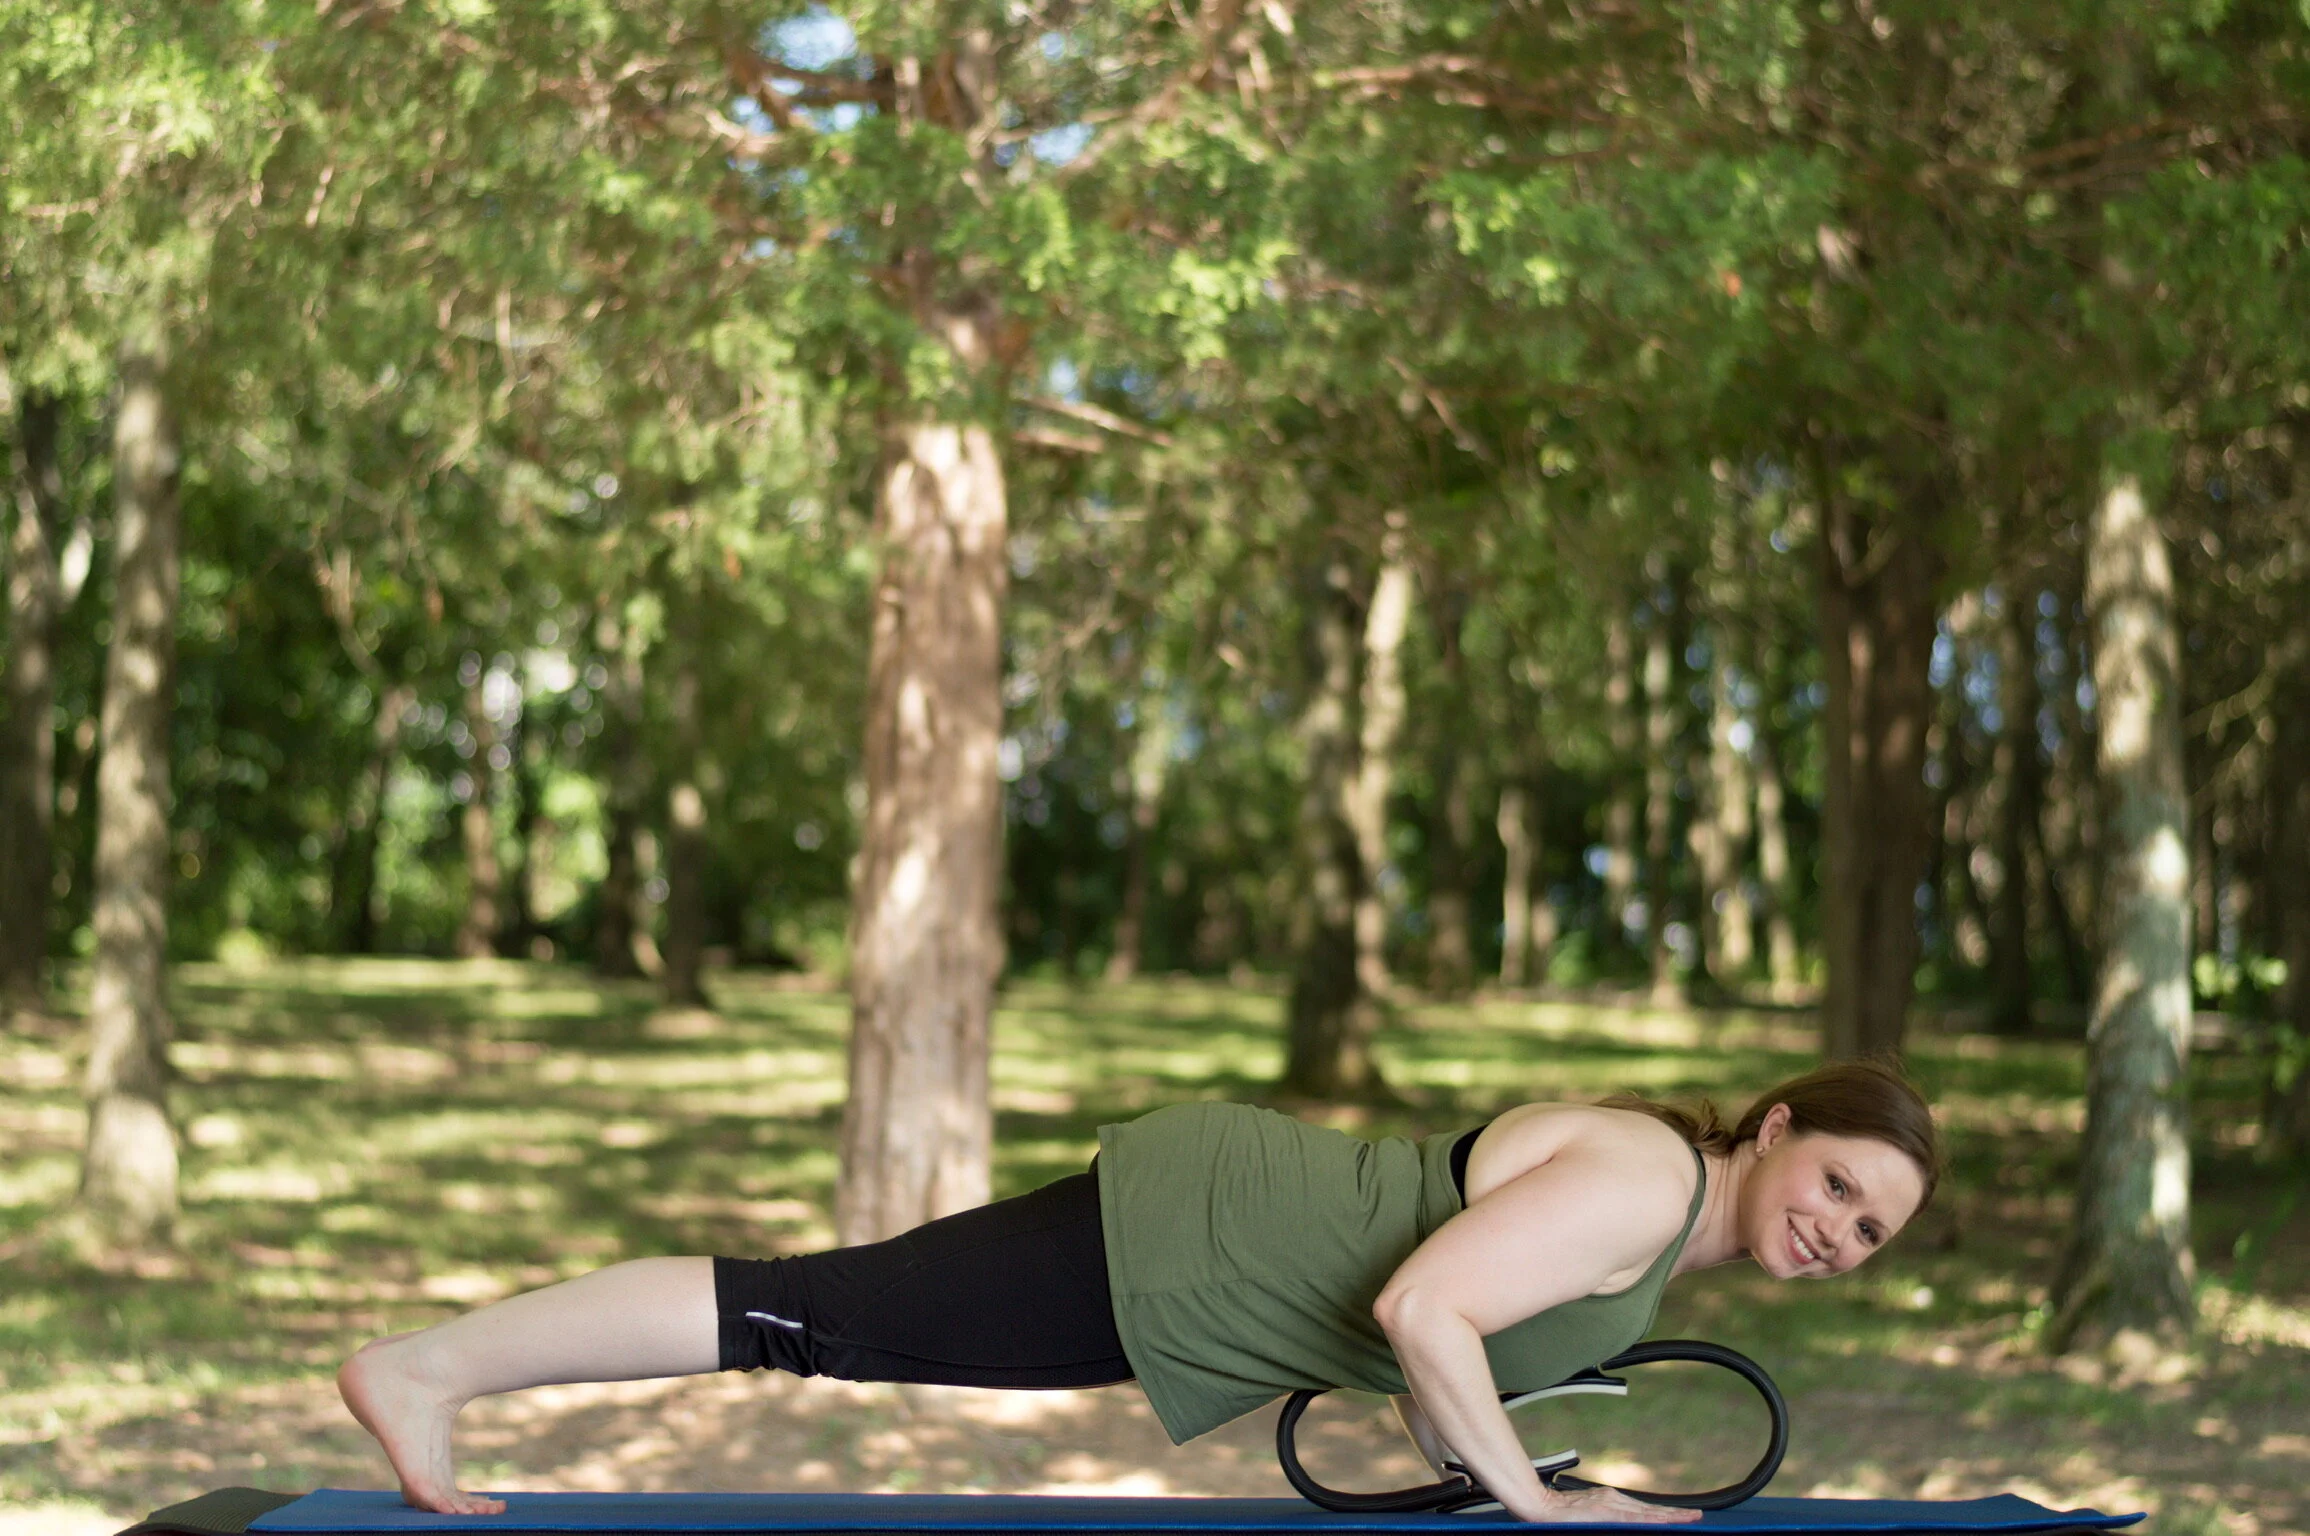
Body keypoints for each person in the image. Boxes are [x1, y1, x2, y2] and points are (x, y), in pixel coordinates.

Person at [339, 1058, 1938, 1525]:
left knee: (800, 1314)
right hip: (1188, 1250)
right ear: (1778, 1127)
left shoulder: (1658, 1215)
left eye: (1868, 1237)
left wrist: (1492, 1471)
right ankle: (426, 1372)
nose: (1837, 1234)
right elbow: (1422, 1314)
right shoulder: (1651, 1182)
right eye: (1838, 1189)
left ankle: (433, 1370)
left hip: (1199, 1246)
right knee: (793, 1314)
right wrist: (1533, 1505)